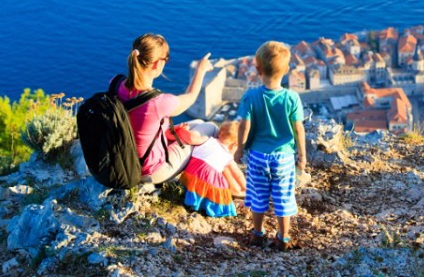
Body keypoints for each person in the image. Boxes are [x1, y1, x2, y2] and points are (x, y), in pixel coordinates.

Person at [234, 40, 306, 251]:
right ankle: (283, 238)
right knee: (283, 197)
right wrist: (303, 155)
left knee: (258, 195)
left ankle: (257, 234)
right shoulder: (292, 98)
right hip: (283, 157)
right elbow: (299, 129)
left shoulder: (250, 97)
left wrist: (240, 148)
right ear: (286, 70)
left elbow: (243, 127)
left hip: (257, 155)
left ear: (258, 70)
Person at [114, 33, 213, 184]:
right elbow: (191, 97)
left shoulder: (116, 84)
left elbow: (139, 126)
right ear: (156, 64)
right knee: (210, 127)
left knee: (198, 121)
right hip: (149, 172)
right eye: (166, 59)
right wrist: (200, 70)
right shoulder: (159, 102)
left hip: (122, 161)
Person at [178, 121, 247, 217]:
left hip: (191, 174)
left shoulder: (207, 140)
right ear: (235, 144)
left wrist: (182, 130)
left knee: (214, 175)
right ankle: (206, 206)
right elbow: (238, 174)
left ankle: (191, 200)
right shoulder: (228, 157)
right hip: (208, 179)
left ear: (220, 133)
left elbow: (191, 138)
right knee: (222, 186)